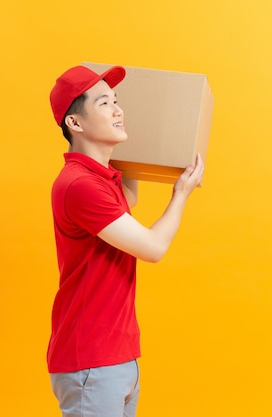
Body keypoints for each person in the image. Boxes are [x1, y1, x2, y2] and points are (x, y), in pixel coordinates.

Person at [47, 64, 204, 417]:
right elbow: (153, 248)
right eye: (104, 103)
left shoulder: (101, 179)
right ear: (75, 123)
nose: (118, 110)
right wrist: (181, 194)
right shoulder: (81, 186)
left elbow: (127, 199)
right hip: (91, 360)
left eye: (117, 101)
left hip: (116, 356)